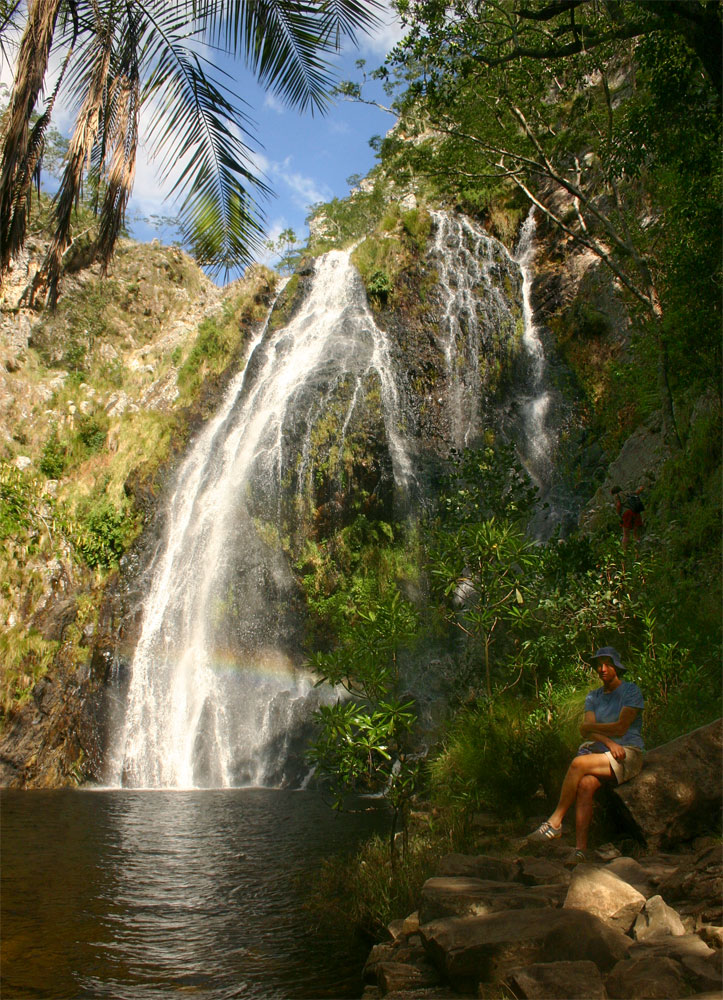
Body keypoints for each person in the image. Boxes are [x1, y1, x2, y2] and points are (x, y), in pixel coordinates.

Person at [527, 646, 644, 861]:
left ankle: (555, 822)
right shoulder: (593, 697)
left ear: (616, 666)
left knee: (578, 764)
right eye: (599, 665)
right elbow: (586, 729)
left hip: (627, 753)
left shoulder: (630, 691)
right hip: (605, 751)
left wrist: (595, 731)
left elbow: (621, 728)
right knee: (585, 785)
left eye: (607, 664)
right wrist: (608, 741)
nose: (602, 669)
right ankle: (580, 851)